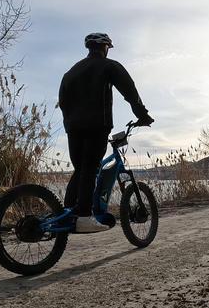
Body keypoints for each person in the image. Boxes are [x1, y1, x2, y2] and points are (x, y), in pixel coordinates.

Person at [58, 32, 153, 233]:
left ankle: (68, 213)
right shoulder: (109, 66)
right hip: (96, 125)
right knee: (91, 168)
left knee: (81, 169)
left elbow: (63, 102)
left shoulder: (71, 72)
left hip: (73, 128)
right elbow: (130, 91)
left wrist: (71, 123)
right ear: (105, 47)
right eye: (108, 47)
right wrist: (142, 115)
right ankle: (84, 216)